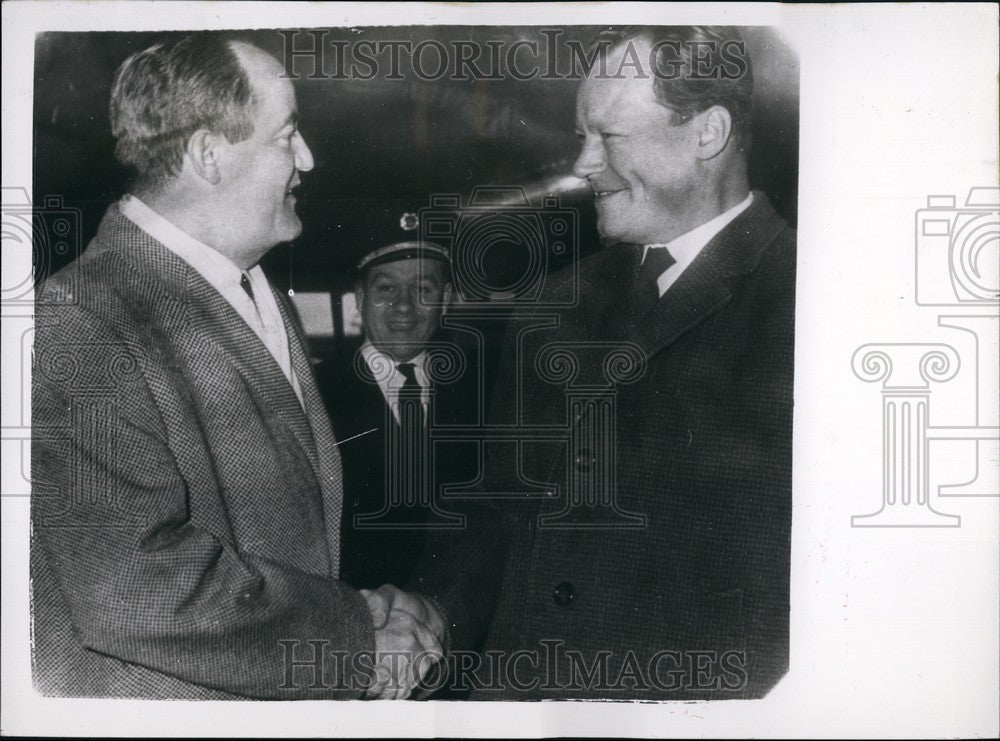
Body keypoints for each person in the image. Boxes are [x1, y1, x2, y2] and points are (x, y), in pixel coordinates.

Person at [31, 33, 444, 700]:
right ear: (207, 154)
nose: (308, 158)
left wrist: (360, 612)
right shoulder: (78, 321)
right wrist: (354, 640)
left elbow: (272, 534)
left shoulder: (252, 287)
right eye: (288, 136)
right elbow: (134, 587)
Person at [403, 26, 796, 700]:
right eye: (583, 136)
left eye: (608, 137)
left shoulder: (810, 302)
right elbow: (498, 509)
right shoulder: (555, 299)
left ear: (708, 133)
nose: (583, 165)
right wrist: (433, 620)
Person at [317, 237, 480, 591]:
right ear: (360, 299)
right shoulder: (313, 393)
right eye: (387, 287)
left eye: (422, 288)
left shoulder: (483, 393)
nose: (403, 306)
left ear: (446, 299)